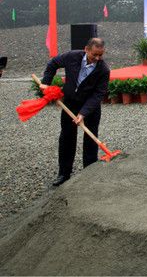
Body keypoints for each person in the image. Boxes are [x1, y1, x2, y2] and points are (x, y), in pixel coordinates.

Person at [40, 38, 110, 186]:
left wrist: (83, 113)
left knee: (90, 139)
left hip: (90, 108)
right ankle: (64, 173)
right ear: (86, 49)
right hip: (70, 104)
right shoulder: (72, 56)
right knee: (67, 137)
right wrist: (46, 82)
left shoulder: (103, 70)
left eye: (100, 55)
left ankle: (89, 173)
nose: (97, 58)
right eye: (95, 55)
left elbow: (98, 94)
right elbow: (53, 63)